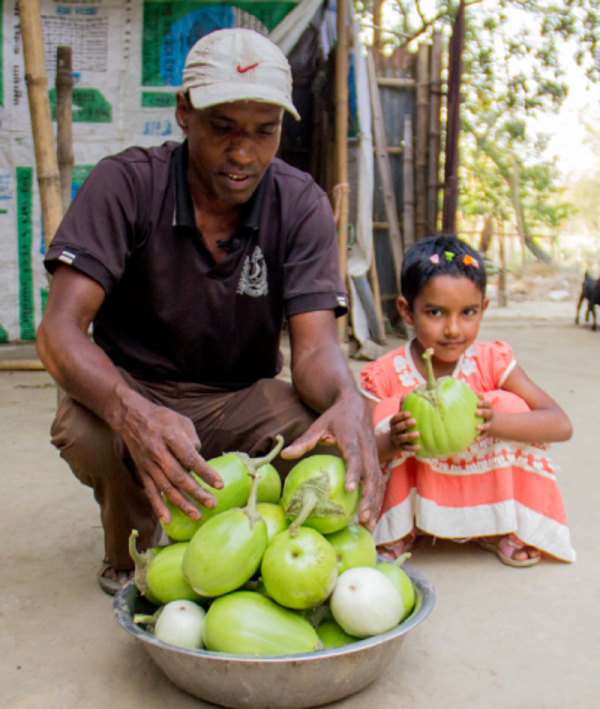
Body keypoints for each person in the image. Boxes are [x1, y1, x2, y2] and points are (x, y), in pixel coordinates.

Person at [37, 28, 383, 595]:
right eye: (223, 128)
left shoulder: (299, 203)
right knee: (88, 429)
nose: (243, 153)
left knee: (323, 434)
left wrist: (348, 402)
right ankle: (134, 546)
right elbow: (59, 332)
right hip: (135, 387)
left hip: (240, 399)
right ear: (184, 112)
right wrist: (131, 412)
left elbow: (316, 349)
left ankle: (256, 542)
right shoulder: (125, 184)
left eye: (263, 132)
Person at [360, 234, 575, 566]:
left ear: (483, 309)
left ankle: (497, 525)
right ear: (406, 310)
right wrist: (393, 440)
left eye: (468, 312)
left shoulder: (492, 362)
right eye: (435, 312)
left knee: (510, 405)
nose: (453, 329)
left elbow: (560, 424)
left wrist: (494, 422)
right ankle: (400, 529)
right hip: (416, 484)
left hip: (480, 479)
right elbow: (358, 453)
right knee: (391, 413)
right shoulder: (385, 374)